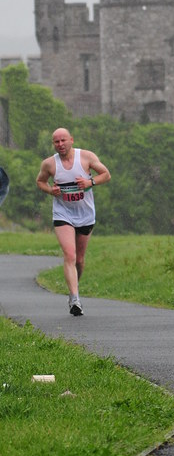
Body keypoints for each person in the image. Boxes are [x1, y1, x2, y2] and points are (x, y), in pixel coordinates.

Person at [36, 128, 111, 316]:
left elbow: (106, 174)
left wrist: (90, 183)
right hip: (63, 214)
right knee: (69, 255)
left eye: (63, 140)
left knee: (79, 260)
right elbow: (40, 182)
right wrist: (50, 191)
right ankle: (75, 299)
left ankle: (74, 287)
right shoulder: (49, 164)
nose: (60, 145)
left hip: (85, 214)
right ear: (53, 144)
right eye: (56, 142)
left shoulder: (86, 157)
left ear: (71, 140)